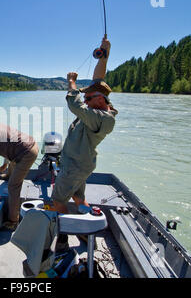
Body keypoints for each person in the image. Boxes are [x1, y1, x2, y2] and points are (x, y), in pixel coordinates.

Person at [52, 37, 118, 248]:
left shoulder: (101, 118)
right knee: (79, 199)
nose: (85, 101)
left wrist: (71, 82)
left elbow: (74, 104)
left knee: (59, 200)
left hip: (74, 167)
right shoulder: (98, 108)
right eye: (86, 98)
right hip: (80, 165)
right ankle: (86, 233)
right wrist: (105, 53)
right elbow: (99, 79)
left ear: (100, 99)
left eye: (88, 98)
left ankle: (62, 238)